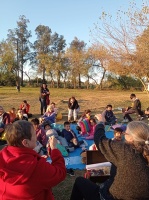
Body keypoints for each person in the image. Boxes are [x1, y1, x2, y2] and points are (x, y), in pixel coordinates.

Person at [70, 114, 149, 200]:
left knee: (80, 181)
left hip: (110, 197)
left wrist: (100, 123)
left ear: (131, 138)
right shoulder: (142, 154)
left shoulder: (126, 151)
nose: (123, 134)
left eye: (125, 132)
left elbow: (99, 140)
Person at [0, 120, 66, 199]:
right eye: (34, 134)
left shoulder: (3, 155)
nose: (36, 137)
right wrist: (54, 149)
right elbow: (60, 173)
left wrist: (37, 159)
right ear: (25, 142)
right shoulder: (36, 167)